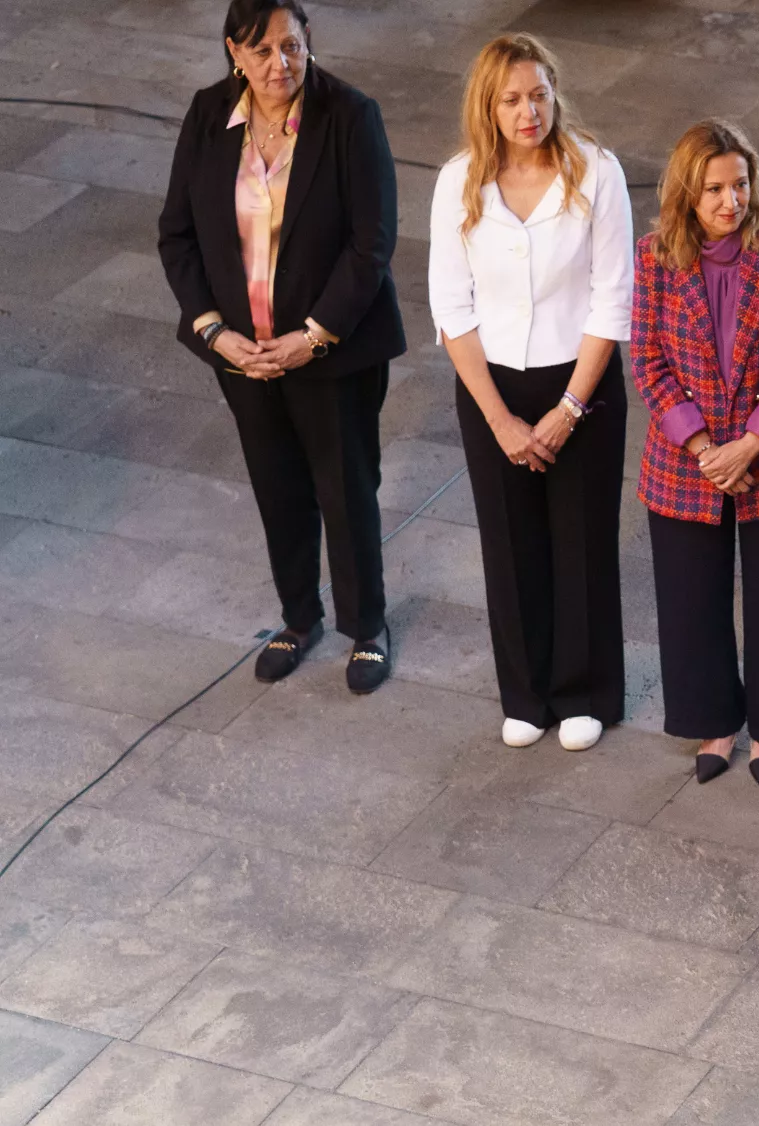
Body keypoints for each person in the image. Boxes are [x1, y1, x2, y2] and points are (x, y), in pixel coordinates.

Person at [158, 0, 404, 693]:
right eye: (263, 50)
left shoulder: (351, 117)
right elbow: (176, 234)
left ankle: (367, 628)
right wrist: (215, 331)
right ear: (235, 51)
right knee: (278, 486)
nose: (280, 64)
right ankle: (300, 617)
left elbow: (371, 244)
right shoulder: (210, 116)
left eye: (292, 47)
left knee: (346, 487)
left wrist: (312, 338)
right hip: (243, 355)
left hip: (333, 351)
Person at [429, 33, 632, 752]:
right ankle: (525, 692)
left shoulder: (596, 172)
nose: (528, 111)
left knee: (580, 540)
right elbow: (451, 309)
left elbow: (614, 299)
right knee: (508, 544)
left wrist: (568, 410)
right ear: (488, 104)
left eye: (539, 95)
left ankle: (585, 692)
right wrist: (501, 421)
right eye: (512, 99)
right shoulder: (457, 181)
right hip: (493, 388)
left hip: (581, 380)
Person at [631, 120, 759, 788]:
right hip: (688, 463)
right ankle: (715, 723)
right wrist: (703, 446)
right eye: (714, 188)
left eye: (739, 184)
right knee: (692, 604)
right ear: (688, 193)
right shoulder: (656, 257)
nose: (730, 201)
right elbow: (648, 360)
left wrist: (749, 443)